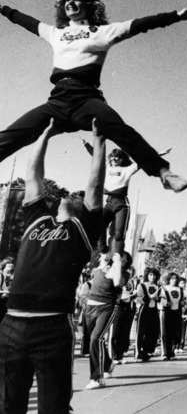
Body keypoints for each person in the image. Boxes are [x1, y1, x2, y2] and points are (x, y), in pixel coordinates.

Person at [0, 0, 187, 193]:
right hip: (57, 101)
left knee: (121, 130)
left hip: (86, 100)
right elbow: (25, 21)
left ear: (88, 5)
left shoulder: (104, 33)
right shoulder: (55, 32)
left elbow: (142, 24)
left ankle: (164, 173)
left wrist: (176, 16)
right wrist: (3, 9)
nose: (70, 2)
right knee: (12, 135)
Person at [0, 117, 105, 414]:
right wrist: (44, 134)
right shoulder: (37, 218)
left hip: (51, 327)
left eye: (77, 196)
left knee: (53, 409)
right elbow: (33, 175)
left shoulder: (82, 229)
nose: (71, 194)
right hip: (11, 324)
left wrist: (99, 143)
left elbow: (95, 184)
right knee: (7, 406)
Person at [82, 144, 170, 254]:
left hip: (121, 204)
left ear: (122, 159)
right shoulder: (107, 166)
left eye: (117, 157)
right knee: (99, 224)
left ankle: (117, 255)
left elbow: (144, 160)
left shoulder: (128, 169)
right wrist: (86, 144)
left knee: (119, 234)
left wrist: (161, 153)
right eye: (112, 157)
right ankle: (102, 249)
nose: (114, 159)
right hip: (109, 202)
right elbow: (96, 154)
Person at [83, 251, 132, 389]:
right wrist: (105, 260)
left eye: (122, 259)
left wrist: (117, 263)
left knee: (95, 339)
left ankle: (97, 378)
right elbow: (99, 267)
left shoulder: (123, 275)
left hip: (107, 308)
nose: (117, 258)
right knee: (95, 341)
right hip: (91, 306)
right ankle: (108, 364)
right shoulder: (100, 268)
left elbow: (116, 281)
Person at [135, 267, 161, 361]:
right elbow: (138, 298)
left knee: (152, 331)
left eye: (154, 275)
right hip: (144, 309)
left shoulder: (157, 286)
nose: (152, 277)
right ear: (147, 275)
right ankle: (138, 352)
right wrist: (149, 297)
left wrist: (157, 298)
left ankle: (147, 351)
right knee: (141, 331)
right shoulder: (142, 285)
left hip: (154, 310)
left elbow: (160, 298)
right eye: (150, 275)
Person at [159, 272, 184, 361]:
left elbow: (182, 300)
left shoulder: (180, 289)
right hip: (166, 312)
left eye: (175, 278)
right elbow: (160, 299)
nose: (174, 280)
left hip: (176, 312)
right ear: (169, 279)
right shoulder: (165, 288)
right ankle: (165, 353)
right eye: (172, 278)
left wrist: (183, 303)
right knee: (165, 333)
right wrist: (166, 303)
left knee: (174, 333)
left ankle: (171, 352)